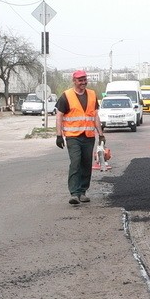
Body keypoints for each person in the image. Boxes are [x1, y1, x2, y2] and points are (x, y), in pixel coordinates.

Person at [55, 70, 105, 205]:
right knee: (75, 162)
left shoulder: (92, 94)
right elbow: (59, 116)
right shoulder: (66, 96)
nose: (83, 82)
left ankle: (83, 192)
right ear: (74, 81)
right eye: (80, 80)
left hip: (88, 136)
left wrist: (101, 134)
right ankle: (74, 193)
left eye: (84, 80)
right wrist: (59, 135)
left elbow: (95, 116)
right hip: (73, 136)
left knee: (86, 164)